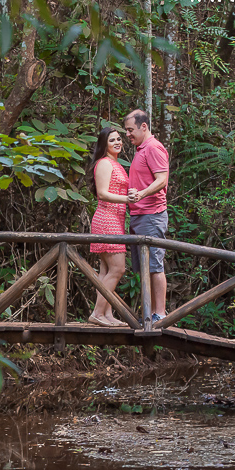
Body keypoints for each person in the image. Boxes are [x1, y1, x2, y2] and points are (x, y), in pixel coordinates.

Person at [85, 127, 139, 327]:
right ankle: (98, 313)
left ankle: (106, 314)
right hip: (106, 219)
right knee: (118, 268)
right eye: (112, 140)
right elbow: (103, 194)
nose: (117, 142)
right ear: (104, 144)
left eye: (118, 139)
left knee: (107, 270)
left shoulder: (115, 163)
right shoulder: (105, 163)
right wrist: (127, 198)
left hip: (116, 219)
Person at [124, 109, 170, 324]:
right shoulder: (140, 149)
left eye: (130, 130)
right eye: (126, 130)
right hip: (139, 215)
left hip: (152, 214)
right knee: (144, 267)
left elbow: (162, 179)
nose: (127, 135)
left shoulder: (153, 147)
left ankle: (159, 314)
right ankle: (149, 314)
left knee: (154, 265)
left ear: (144, 126)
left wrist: (141, 194)